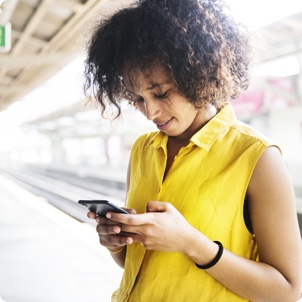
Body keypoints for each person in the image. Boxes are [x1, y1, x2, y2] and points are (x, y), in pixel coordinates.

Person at [83, 0, 302, 301]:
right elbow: (137, 265)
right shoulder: (143, 150)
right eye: (137, 99)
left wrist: (191, 243)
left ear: (198, 73)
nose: (150, 113)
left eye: (161, 93)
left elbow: (287, 291)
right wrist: (116, 243)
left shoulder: (257, 157)